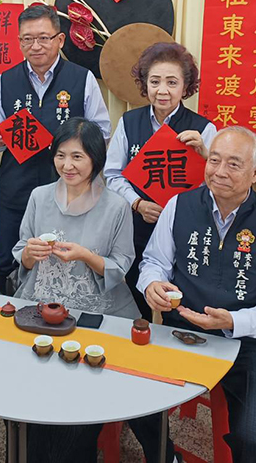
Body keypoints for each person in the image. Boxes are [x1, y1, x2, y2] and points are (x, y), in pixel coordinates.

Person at [139, 127, 256, 463]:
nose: (219, 171)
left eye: (233, 164)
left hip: (247, 342)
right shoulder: (179, 206)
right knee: (136, 401)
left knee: (252, 436)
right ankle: (167, 457)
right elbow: (154, 262)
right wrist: (152, 285)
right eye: (214, 160)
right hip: (182, 330)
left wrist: (233, 321)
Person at [12, 117, 174, 463]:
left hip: (98, 310)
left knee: (93, 399)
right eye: (60, 155)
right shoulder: (39, 197)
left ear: (95, 160)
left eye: (77, 157)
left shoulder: (116, 206)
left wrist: (86, 256)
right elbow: (21, 252)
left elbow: (123, 264)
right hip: (43, 307)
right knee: (27, 399)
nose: (67, 165)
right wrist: (29, 254)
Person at [0, 4, 111, 293]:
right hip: (16, 188)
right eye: (27, 39)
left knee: (65, 263)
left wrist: (72, 143)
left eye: (44, 38)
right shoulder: (5, 80)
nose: (36, 46)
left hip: (70, 192)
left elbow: (102, 133)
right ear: (19, 42)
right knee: (8, 259)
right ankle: (4, 312)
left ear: (60, 39)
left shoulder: (82, 78)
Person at [104, 42, 216, 319]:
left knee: (178, 306)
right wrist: (137, 203)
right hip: (137, 227)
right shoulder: (129, 122)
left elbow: (218, 185)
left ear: (186, 86)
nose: (162, 90)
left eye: (172, 82)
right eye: (155, 82)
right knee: (137, 303)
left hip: (184, 230)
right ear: (145, 84)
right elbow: (112, 174)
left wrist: (205, 154)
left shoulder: (204, 129)